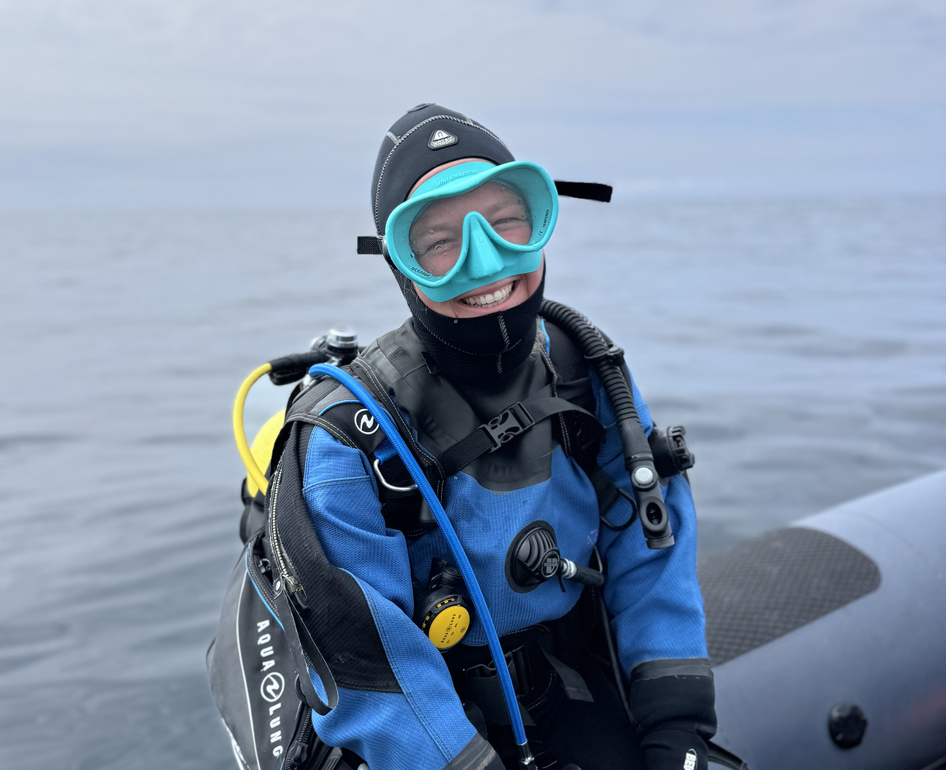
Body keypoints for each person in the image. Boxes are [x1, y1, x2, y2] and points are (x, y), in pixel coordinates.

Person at [256, 104, 716, 770]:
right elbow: (370, 663)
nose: (484, 261)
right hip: (427, 723)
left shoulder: (586, 369)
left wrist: (679, 723)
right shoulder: (348, 438)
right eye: (439, 241)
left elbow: (650, 544)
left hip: (564, 682)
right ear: (401, 265)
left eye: (506, 223)